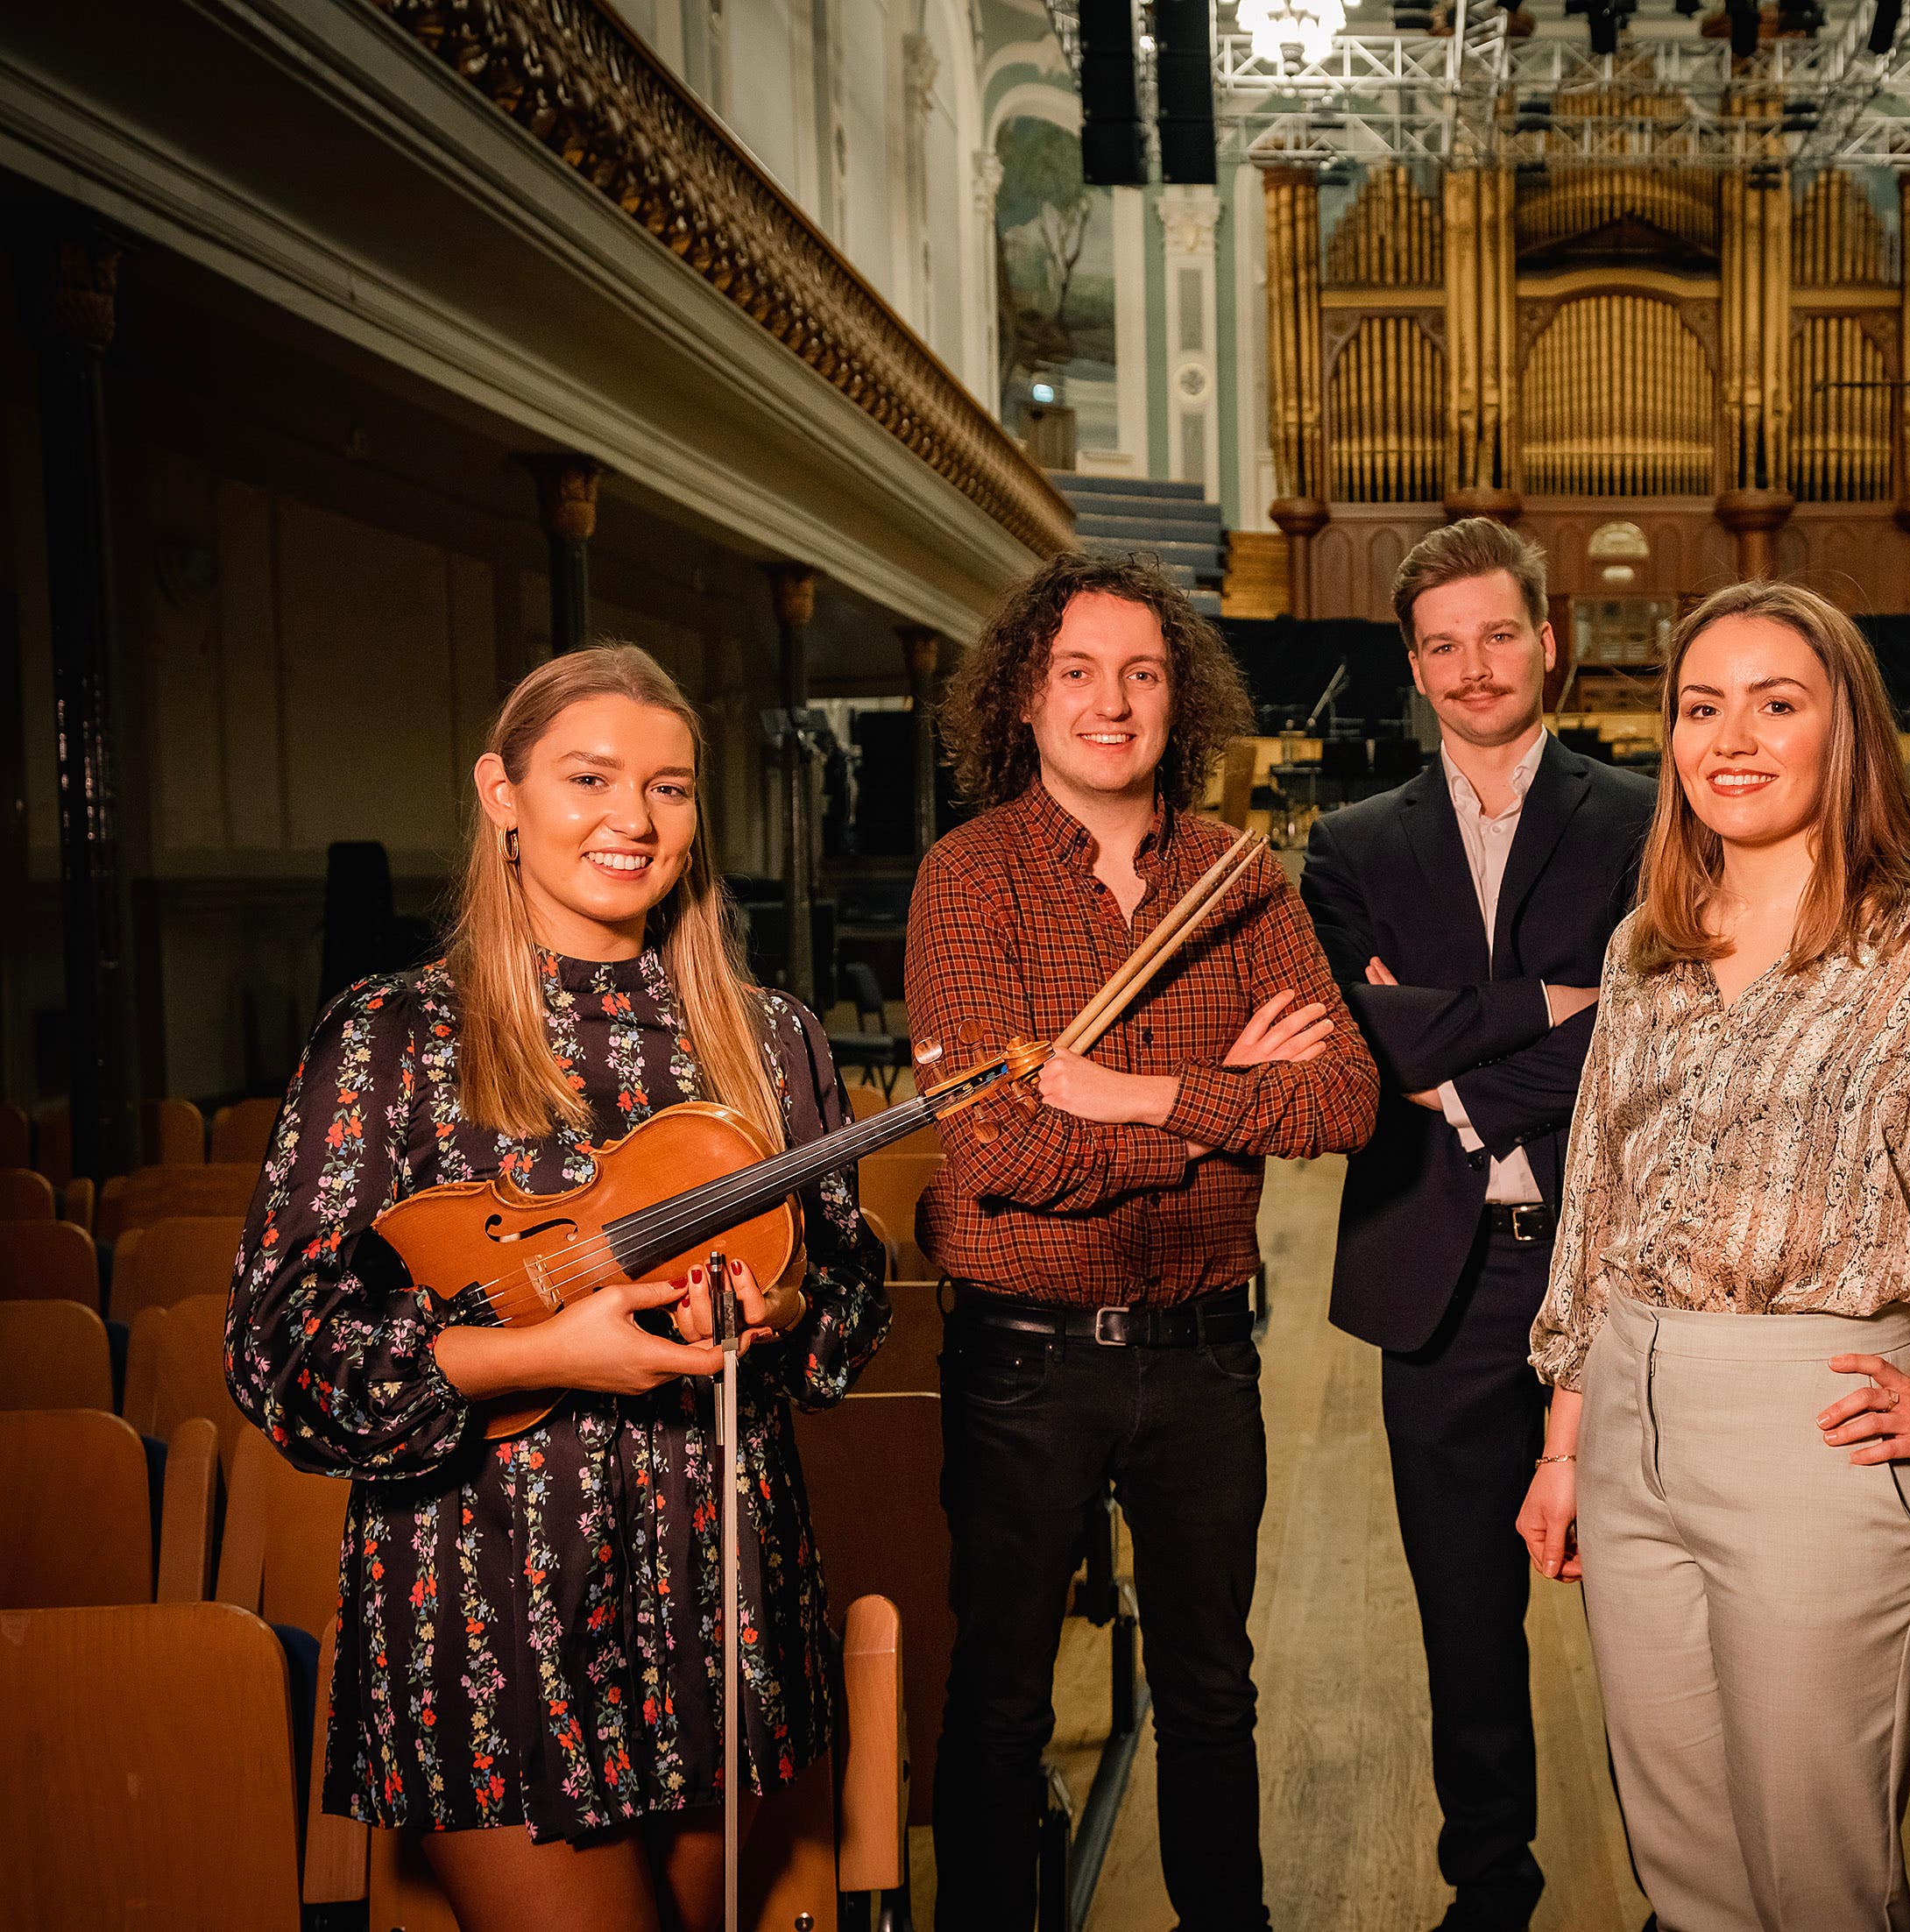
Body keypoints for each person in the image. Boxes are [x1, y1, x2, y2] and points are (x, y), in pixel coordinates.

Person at [226, 644, 889, 1932]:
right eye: (590, 776)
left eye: (671, 788)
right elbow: (281, 1355)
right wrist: (539, 1354)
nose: (634, 820)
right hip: (487, 1609)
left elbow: (847, 1324)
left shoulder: (768, 1036)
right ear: (502, 792)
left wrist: (782, 1309)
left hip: (721, 1594)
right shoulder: (394, 1035)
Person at [1517, 581, 1910, 1932]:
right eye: (1701, 706)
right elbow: (1599, 1200)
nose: (1731, 737)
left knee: (1819, 1883)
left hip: (1819, 1428)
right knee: (1687, 1879)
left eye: (1776, 702)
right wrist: (1566, 1440)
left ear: (1843, 733)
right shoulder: (1647, 949)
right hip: (1629, 1418)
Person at [906, 551, 1381, 1932]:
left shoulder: (1236, 875)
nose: (1112, 701)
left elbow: (1343, 1097)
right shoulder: (969, 877)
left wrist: (1128, 1090)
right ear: (1025, 700)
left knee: (1213, 1694)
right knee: (997, 1695)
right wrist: (1231, 1109)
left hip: (1202, 1354)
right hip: (1021, 1361)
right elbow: (1001, 1150)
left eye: (1143, 673)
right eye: (1078, 672)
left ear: (1182, 697)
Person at [1297, 519, 1656, 1932]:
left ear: (1548, 638)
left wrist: (1450, 1052)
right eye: (1442, 643)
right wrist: (1556, 1008)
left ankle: (1677, 1891)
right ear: (1412, 664)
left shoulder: (1648, 817)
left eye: (1499, 633)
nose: (1474, 665)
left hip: (1615, 1269)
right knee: (1464, 1619)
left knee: (1647, 1616)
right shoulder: (1350, 843)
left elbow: (1655, 1043)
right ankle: (1488, 1894)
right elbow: (1349, 1043)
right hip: (1435, 1279)